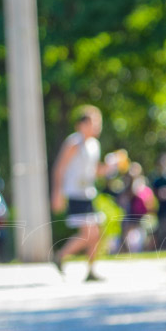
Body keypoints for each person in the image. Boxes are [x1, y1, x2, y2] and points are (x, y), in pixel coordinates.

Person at [51, 105, 106, 281]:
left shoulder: (94, 145)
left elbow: (96, 171)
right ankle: (61, 255)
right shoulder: (74, 143)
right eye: (92, 123)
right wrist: (57, 192)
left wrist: (111, 167)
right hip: (75, 193)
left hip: (88, 192)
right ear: (81, 125)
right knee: (89, 233)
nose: (96, 126)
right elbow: (60, 168)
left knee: (95, 233)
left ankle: (90, 269)